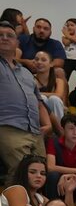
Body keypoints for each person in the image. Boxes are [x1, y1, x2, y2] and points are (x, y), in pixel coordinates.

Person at [0, 20, 49, 175]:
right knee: (21, 173)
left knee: (40, 175)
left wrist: (48, 124)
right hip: (8, 127)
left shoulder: (27, 73)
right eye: (0, 35)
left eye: (10, 35)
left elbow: (39, 101)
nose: (5, 38)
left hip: (35, 131)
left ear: (17, 42)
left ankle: (33, 200)